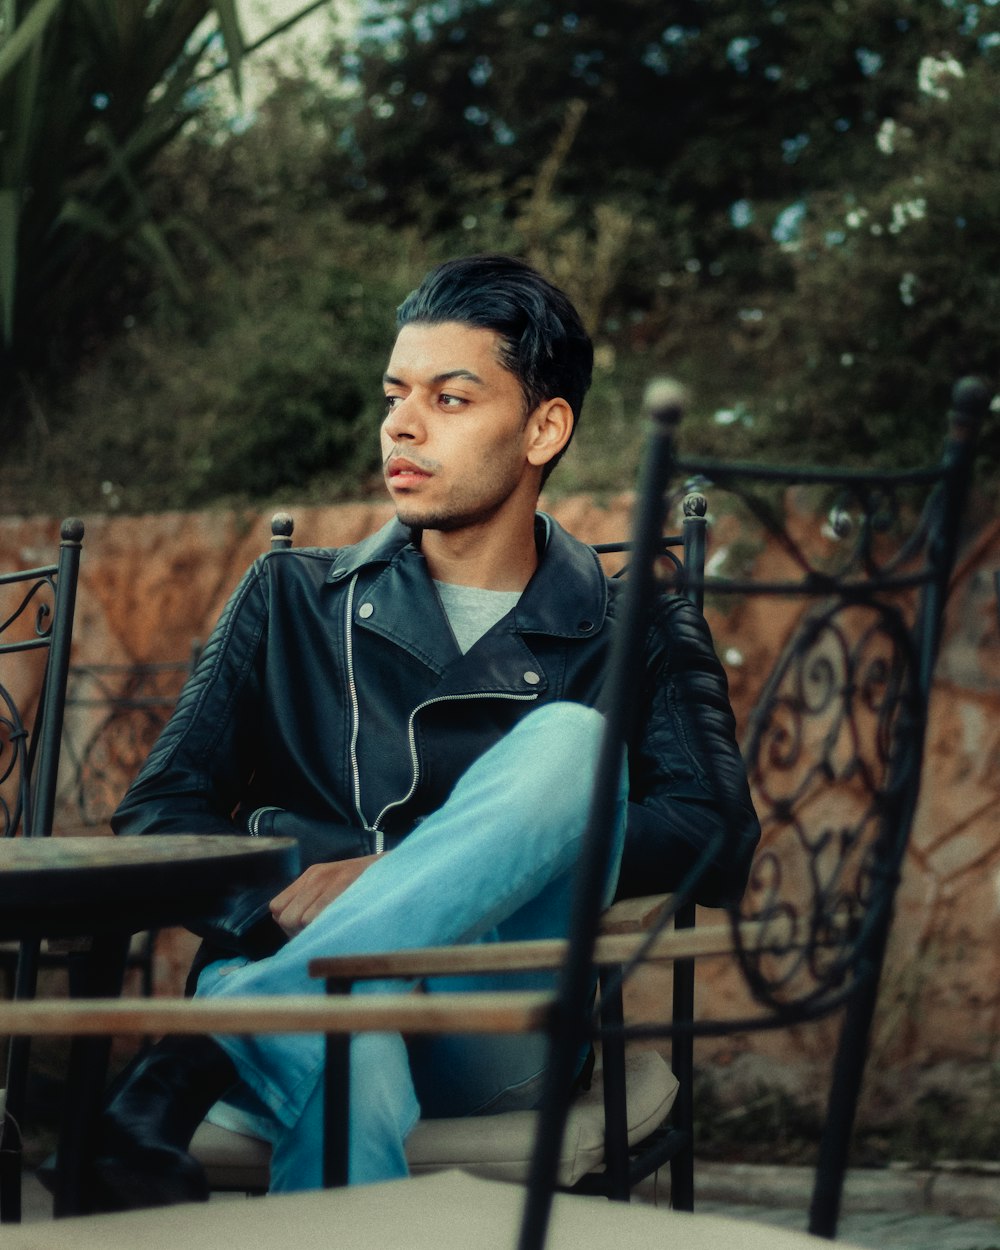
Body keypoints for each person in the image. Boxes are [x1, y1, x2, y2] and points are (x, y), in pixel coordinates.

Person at [96, 254, 759, 1210]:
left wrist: (401, 874)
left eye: (450, 398)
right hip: (290, 963)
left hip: (494, 1015)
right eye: (394, 395)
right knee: (350, 1033)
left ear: (545, 427)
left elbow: (717, 836)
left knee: (573, 745)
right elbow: (158, 813)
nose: (401, 425)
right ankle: (280, 1013)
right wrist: (281, 899)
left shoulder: (635, 625)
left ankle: (205, 1050)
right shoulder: (290, 598)